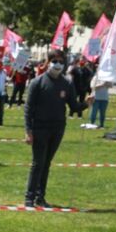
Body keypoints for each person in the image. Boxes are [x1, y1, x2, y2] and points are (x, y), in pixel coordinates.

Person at [24, 49, 92, 207]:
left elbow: (74, 107)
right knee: (38, 163)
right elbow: (28, 109)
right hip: (40, 128)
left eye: (61, 62)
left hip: (58, 128)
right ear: (47, 62)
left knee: (47, 163)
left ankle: (40, 197)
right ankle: (29, 197)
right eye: (55, 61)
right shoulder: (37, 82)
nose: (58, 65)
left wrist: (86, 104)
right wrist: (28, 131)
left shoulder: (67, 83)